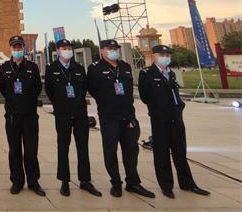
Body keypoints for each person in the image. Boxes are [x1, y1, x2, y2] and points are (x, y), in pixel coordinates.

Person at [138, 44, 210, 198]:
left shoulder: (171, 74)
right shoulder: (147, 73)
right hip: (160, 119)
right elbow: (144, 96)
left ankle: (187, 183)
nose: (166, 57)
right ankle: (166, 186)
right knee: (162, 153)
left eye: (167, 55)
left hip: (176, 118)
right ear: (154, 56)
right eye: (162, 55)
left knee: (180, 152)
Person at [87, 39, 154, 198]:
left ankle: (133, 182)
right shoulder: (95, 68)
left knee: (131, 150)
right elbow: (93, 89)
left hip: (128, 115)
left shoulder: (125, 67)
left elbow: (129, 90)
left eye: (115, 48)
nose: (113, 51)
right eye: (109, 48)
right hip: (109, 116)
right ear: (102, 50)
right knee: (110, 150)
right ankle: (115, 182)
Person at [45, 39, 101, 197]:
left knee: (83, 147)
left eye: (69, 47)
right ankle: (64, 181)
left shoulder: (78, 68)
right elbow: (49, 90)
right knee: (63, 147)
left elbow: (84, 88)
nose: (67, 50)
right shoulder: (52, 69)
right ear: (58, 50)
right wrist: (60, 104)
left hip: (80, 114)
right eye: (64, 47)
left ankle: (85, 180)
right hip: (62, 114)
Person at [0, 35, 45, 196]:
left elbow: (37, 88)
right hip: (12, 116)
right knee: (14, 150)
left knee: (31, 150)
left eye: (20, 47)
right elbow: (2, 88)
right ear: (10, 49)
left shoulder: (32, 67)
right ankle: (17, 181)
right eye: (15, 47)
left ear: (24, 48)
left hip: (30, 115)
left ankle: (33, 181)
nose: (17, 49)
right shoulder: (5, 67)